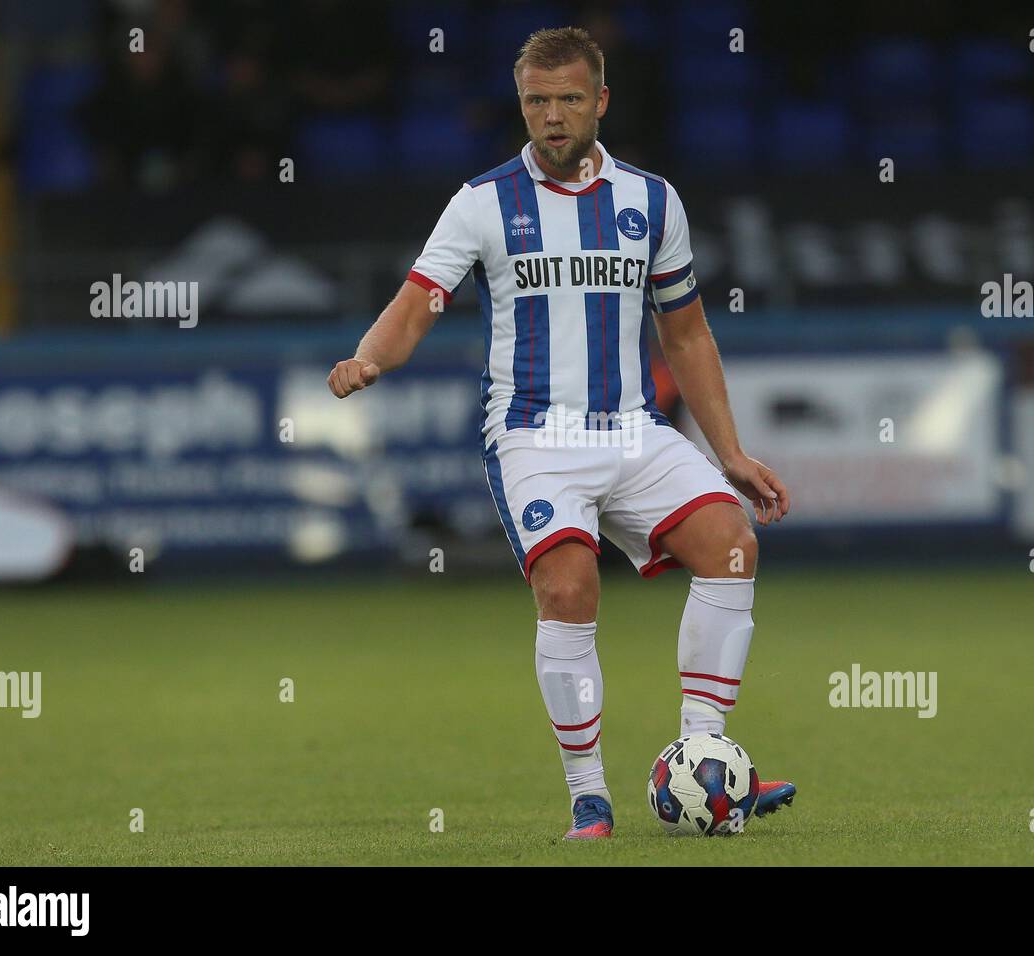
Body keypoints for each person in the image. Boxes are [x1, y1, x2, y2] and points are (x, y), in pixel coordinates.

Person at [328, 27, 794, 839]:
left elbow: (685, 335)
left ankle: (704, 762)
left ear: (601, 102)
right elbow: (416, 301)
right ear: (522, 104)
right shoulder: (482, 202)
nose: (552, 116)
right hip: (535, 438)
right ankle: (589, 795)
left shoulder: (652, 201)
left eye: (570, 99)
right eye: (537, 100)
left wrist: (730, 453)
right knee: (569, 588)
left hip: (631, 430)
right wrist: (369, 360)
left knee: (730, 541)